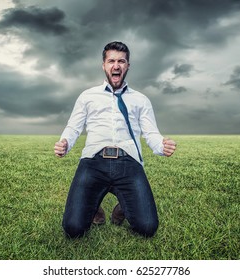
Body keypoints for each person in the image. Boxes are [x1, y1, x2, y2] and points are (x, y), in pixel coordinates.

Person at [54, 41, 176, 238]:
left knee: (147, 227)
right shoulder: (87, 96)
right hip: (93, 162)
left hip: (129, 162)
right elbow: (73, 127)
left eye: (121, 61)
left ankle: (122, 207)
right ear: (104, 65)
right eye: (111, 61)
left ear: (127, 66)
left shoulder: (141, 99)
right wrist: (65, 142)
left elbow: (151, 133)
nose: (116, 65)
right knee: (73, 229)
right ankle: (94, 206)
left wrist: (161, 145)